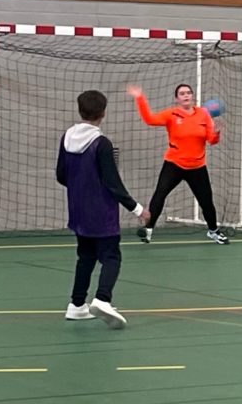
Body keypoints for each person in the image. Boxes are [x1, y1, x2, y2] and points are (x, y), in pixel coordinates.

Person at [57, 90, 150, 330]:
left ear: (80, 110)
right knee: (111, 256)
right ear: (103, 113)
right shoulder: (102, 144)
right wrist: (138, 208)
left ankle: (77, 305)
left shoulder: (67, 137)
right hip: (101, 212)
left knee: (85, 256)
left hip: (77, 210)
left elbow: (61, 175)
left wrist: (80, 189)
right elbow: (112, 182)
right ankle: (102, 299)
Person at [127, 83, 227, 244]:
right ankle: (148, 229)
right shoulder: (171, 114)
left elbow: (211, 140)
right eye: (182, 94)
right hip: (174, 164)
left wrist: (216, 133)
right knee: (160, 195)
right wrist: (139, 97)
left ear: (192, 96)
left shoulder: (203, 114)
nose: (186, 95)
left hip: (197, 167)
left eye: (188, 93)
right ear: (177, 99)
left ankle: (213, 231)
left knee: (206, 201)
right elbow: (149, 120)